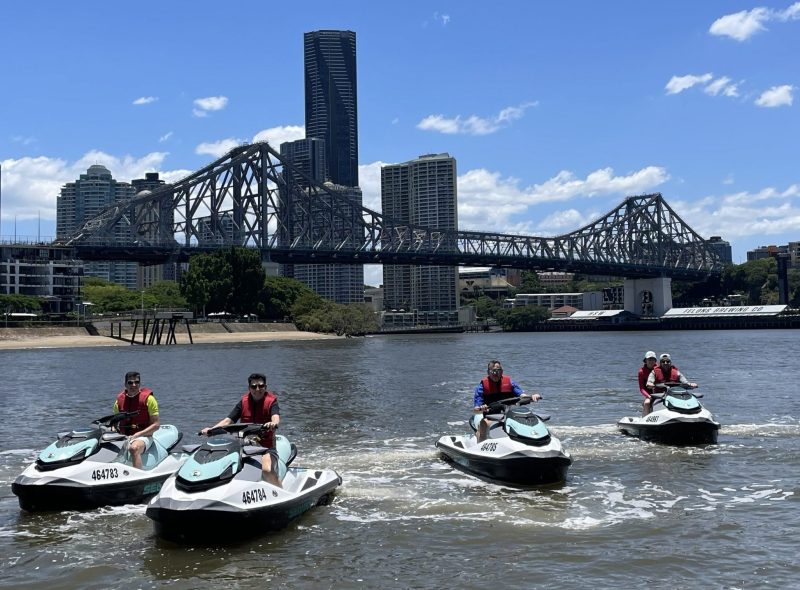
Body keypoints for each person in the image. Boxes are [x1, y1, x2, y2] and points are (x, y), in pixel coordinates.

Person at [201, 373, 281, 487]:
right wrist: (211, 429)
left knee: (267, 470)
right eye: (253, 386)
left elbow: (276, 417)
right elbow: (228, 421)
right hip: (245, 446)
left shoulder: (272, 401)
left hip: (266, 448)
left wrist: (273, 423)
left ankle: (281, 492)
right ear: (249, 388)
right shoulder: (243, 402)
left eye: (261, 386)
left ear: (265, 387)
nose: (257, 389)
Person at [473, 360, 541, 443]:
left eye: (498, 371)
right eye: (493, 371)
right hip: (491, 416)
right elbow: (476, 409)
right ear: (488, 372)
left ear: (502, 371)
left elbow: (522, 395)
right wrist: (481, 408)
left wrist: (532, 396)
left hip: (510, 415)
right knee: (484, 423)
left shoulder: (510, 383)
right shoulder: (482, 387)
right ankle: (480, 445)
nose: (496, 373)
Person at [113, 371, 160, 470]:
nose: (133, 385)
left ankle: (136, 477)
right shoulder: (119, 401)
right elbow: (114, 423)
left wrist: (138, 434)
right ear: (125, 384)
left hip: (144, 436)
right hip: (125, 435)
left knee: (134, 448)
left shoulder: (149, 399)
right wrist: (113, 432)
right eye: (130, 382)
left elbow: (156, 425)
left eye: (136, 382)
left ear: (139, 384)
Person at [638, 350, 658, 416]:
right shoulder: (641, 372)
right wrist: (648, 396)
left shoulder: (659, 369)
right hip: (649, 394)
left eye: (653, 359)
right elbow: (642, 389)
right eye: (649, 359)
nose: (651, 361)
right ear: (645, 361)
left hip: (660, 392)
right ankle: (645, 419)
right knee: (647, 403)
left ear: (655, 361)